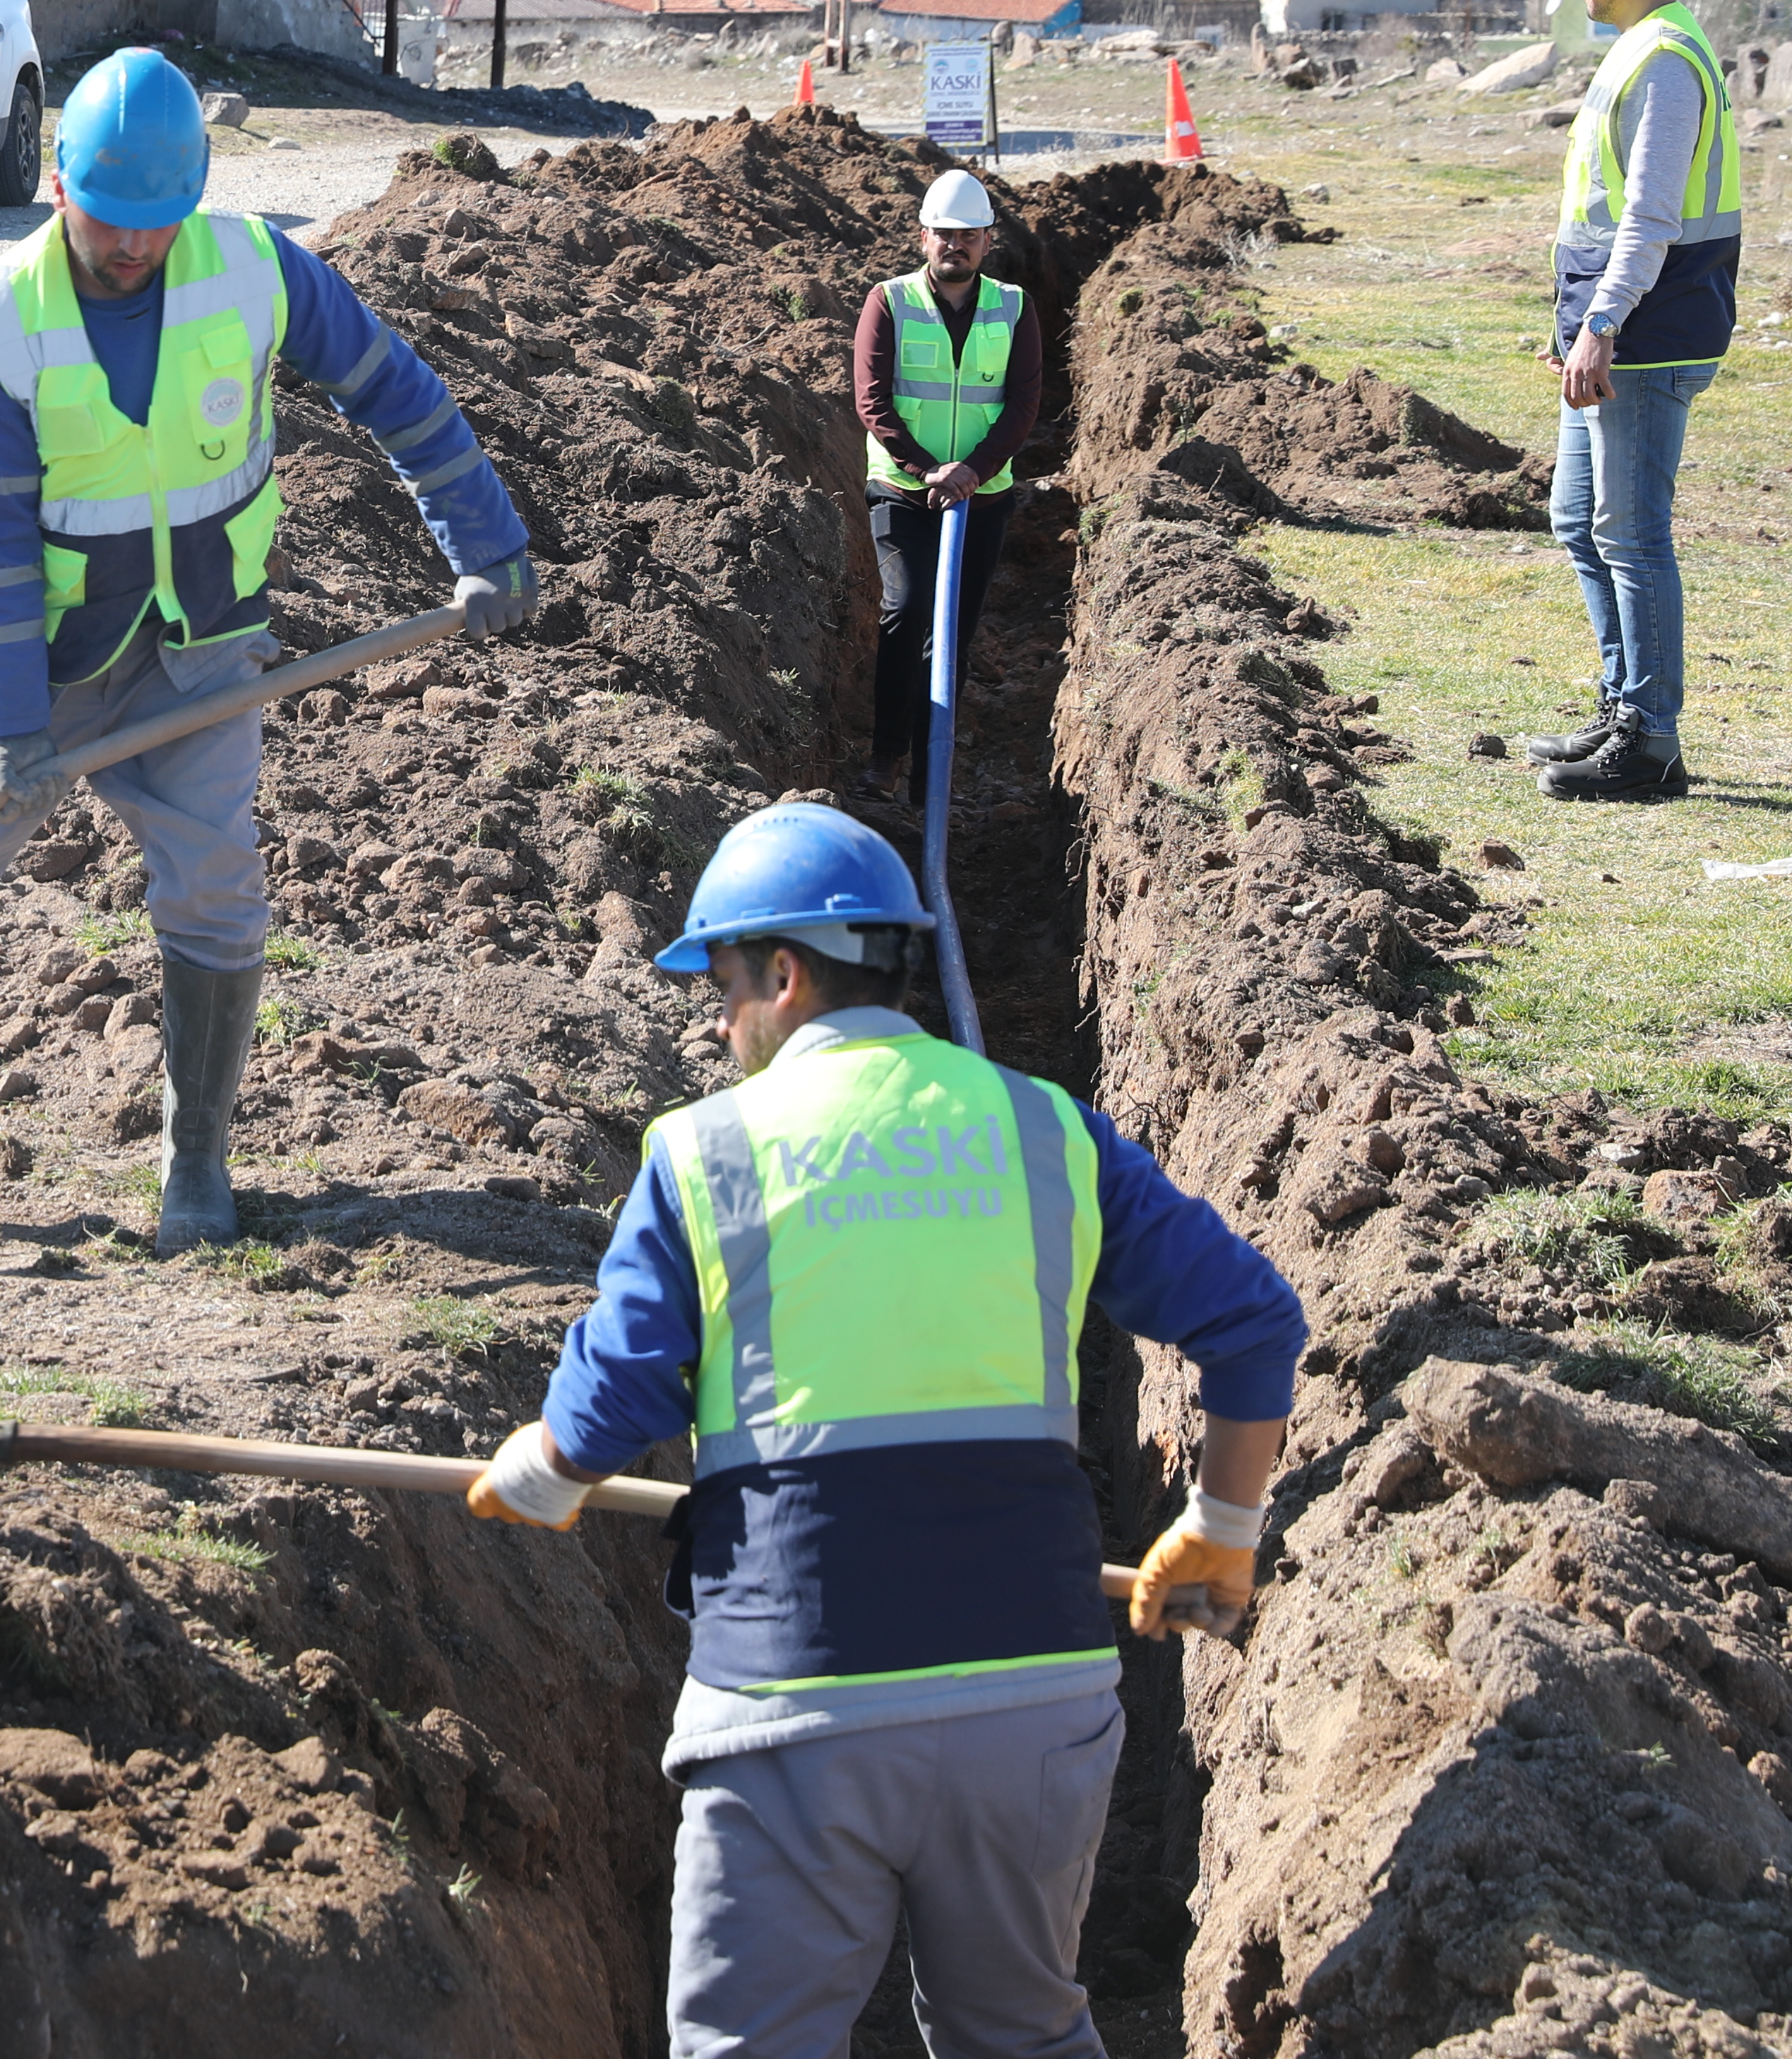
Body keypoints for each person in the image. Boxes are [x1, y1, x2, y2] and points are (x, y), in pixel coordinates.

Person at [467, 800, 1304, 2059]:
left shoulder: (707, 1154)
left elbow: (616, 1401)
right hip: (1037, 1695)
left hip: (796, 1704)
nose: (716, 1018)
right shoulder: (1044, 1129)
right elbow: (1253, 1324)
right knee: (1018, 2033)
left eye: (724, 985)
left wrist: (535, 1473)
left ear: (787, 974)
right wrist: (1223, 1531)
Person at [0, 48, 534, 1250]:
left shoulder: (257, 270)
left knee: (215, 889)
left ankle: (197, 1161)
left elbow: (394, 389)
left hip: (196, 643)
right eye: (109, 220)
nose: (130, 247)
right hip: (26, 647)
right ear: (60, 185)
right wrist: (11, 725)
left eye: (156, 224)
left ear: (195, 199)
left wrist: (483, 536)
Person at [1518, 0, 1738, 805]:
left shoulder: (1665, 59)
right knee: (1579, 519)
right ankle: (1623, 707)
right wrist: (1576, 323)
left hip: (1649, 332)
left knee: (1631, 532)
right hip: (1612, 327)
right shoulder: (1639, 50)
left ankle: (1649, 739)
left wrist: (1602, 323)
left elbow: (1647, 218)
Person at [854, 167, 1045, 808]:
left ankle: (932, 774)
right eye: (943, 234)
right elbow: (872, 399)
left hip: (981, 498)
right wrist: (927, 468)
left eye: (968, 235)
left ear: (988, 241)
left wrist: (973, 472)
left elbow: (1023, 403)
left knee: (953, 631)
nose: (954, 245)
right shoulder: (890, 301)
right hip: (904, 491)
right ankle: (886, 758)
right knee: (907, 611)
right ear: (923, 237)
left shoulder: (1013, 306)